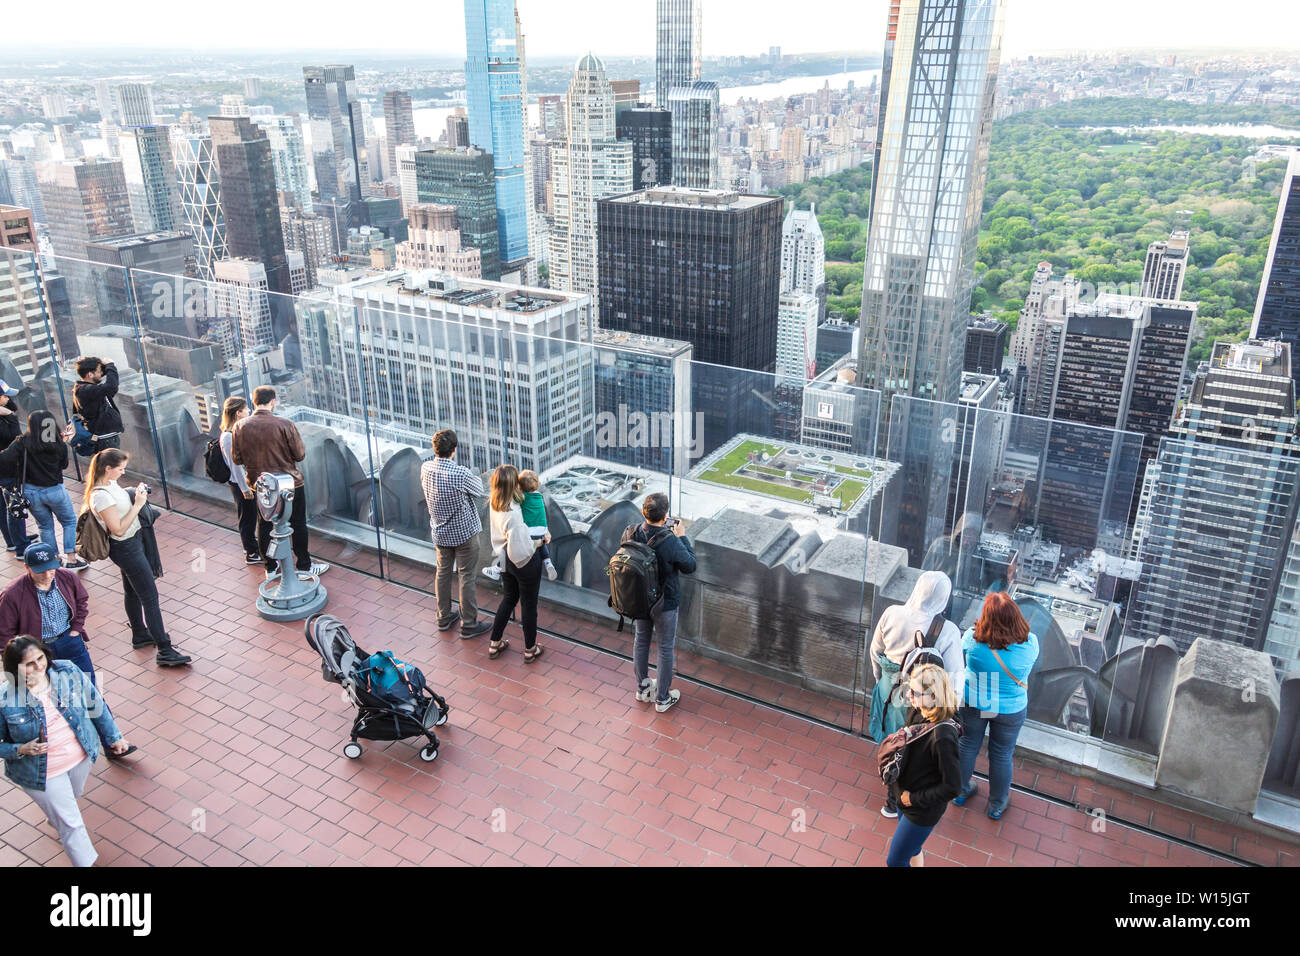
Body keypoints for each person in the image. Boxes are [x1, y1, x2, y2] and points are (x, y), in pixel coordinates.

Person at [0, 636, 131, 867]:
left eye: (40, 658)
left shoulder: (67, 671)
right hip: (40, 773)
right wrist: (19, 748)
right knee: (72, 825)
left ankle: (56, 816)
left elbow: (95, 704)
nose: (39, 666)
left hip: (81, 756)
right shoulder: (5, 699)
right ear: (15, 668)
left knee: (71, 798)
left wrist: (114, 736)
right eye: (29, 664)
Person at [868, 570, 963, 818]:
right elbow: (954, 678)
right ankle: (896, 800)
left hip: (889, 691)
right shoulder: (948, 631)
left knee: (891, 740)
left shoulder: (891, 613)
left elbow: (875, 652)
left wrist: (883, 683)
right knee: (911, 747)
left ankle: (888, 783)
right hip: (921, 700)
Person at [85, 448, 192, 667]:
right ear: (108, 469)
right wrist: (138, 504)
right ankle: (164, 649)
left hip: (131, 544)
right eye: (120, 469)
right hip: (125, 547)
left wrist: (133, 491)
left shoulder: (109, 485)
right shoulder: (101, 496)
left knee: (132, 591)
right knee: (150, 597)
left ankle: (140, 634)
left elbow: (118, 503)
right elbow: (118, 529)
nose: (123, 472)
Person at [954, 591, 1039, 820]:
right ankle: (996, 805)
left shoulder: (971, 638)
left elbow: (961, 658)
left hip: (976, 700)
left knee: (968, 744)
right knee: (1001, 754)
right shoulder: (1030, 644)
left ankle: (960, 791)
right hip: (1010, 708)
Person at [230, 386, 329, 582]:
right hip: (289, 483)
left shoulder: (240, 427)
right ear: (273, 401)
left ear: (253, 401)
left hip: (261, 484)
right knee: (298, 523)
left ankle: (271, 567)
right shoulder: (285, 424)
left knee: (265, 524)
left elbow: (237, 458)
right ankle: (304, 566)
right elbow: (299, 454)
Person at [884, 663, 962, 868]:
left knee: (895, 861)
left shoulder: (943, 736)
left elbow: (952, 787)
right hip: (905, 794)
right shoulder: (919, 708)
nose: (909, 695)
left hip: (920, 808)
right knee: (913, 849)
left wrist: (913, 799)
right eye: (909, 688)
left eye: (916, 692)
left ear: (934, 696)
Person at [628, 492, 696, 714]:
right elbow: (690, 565)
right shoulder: (670, 541)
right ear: (665, 515)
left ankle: (642, 688)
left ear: (643, 512)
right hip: (664, 602)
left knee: (641, 640)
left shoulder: (631, 531)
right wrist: (682, 537)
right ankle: (662, 699)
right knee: (665, 647)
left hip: (639, 598)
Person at [420, 429, 490, 638]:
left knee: (442, 572)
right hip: (464, 534)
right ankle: (468, 624)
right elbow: (479, 489)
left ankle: (443, 617)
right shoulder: (459, 473)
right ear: (454, 450)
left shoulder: (426, 468)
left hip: (440, 531)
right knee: (466, 575)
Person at [0, 411, 86, 571]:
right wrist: (62, 442)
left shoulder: (22, 442)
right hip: (54, 490)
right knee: (69, 522)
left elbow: (4, 459)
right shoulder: (56, 443)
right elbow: (64, 465)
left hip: (31, 492)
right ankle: (72, 559)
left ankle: (54, 558)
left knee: (45, 527)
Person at [486, 465, 550, 663]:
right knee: (529, 606)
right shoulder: (513, 513)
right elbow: (522, 548)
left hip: (504, 559)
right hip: (523, 562)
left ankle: (494, 643)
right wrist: (542, 541)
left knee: (509, 599)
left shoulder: (495, 502)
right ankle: (530, 650)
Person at [219, 397, 261, 565]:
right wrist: (245, 488)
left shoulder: (234, 432)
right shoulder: (228, 437)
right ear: (238, 413)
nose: (249, 412)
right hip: (240, 484)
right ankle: (250, 552)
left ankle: (252, 548)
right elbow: (235, 466)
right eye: (245, 410)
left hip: (244, 482)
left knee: (250, 515)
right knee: (247, 518)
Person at [0, 389, 32, 558]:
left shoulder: (5, 410)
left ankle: (13, 540)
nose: (8, 398)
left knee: (4, 504)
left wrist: (8, 409)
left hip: (5, 468)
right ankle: (21, 546)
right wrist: (11, 417)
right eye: (4, 396)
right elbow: (16, 438)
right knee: (14, 504)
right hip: (6, 468)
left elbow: (13, 406)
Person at [72, 357, 123, 453]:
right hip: (104, 440)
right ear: (90, 374)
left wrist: (104, 367)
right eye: (99, 371)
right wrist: (110, 365)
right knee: (111, 466)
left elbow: (109, 389)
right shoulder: (85, 390)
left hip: (105, 438)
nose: (101, 374)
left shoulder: (86, 388)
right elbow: (112, 387)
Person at [515, 470, 557, 582]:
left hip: (529, 532)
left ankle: (498, 567)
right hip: (542, 530)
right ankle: (548, 562)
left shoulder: (522, 497)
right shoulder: (539, 496)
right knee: (542, 545)